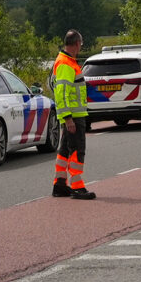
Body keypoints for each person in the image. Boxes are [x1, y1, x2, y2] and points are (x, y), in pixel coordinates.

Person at [48, 30, 94, 198]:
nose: (81, 47)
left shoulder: (65, 61)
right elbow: (62, 92)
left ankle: (60, 184)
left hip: (72, 115)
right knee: (76, 149)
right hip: (73, 117)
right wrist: (68, 119)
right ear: (76, 44)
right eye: (80, 44)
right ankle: (77, 186)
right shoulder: (66, 63)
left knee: (65, 151)